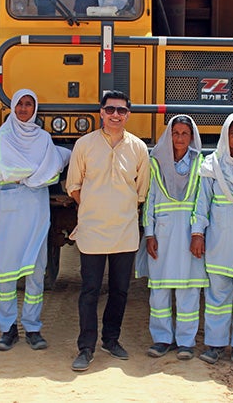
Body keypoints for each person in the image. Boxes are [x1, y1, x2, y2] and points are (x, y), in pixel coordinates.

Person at [66, 90, 150, 371]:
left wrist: (118, 206)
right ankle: (86, 347)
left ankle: (111, 340)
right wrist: (93, 206)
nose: (116, 115)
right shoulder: (84, 145)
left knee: (120, 290)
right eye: (110, 109)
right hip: (91, 230)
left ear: (128, 115)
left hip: (124, 230)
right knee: (89, 291)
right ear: (101, 112)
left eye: (121, 111)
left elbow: (141, 191)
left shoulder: (138, 148)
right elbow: (74, 186)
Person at [0, 89, 70, 351]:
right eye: (20, 104)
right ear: (12, 107)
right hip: (9, 210)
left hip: (36, 209)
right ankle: (7, 328)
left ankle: (33, 327)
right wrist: (36, 172)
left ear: (35, 109)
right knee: (7, 272)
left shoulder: (43, 138)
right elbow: (8, 168)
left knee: (36, 271)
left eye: (29, 104)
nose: (24, 109)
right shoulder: (2, 137)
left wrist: (31, 174)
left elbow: (51, 170)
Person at [138, 115, 207, 360]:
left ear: (191, 137)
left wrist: (198, 232)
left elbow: (202, 201)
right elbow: (150, 199)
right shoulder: (156, 162)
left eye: (184, 134)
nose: (179, 138)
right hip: (163, 234)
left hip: (189, 234)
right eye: (175, 133)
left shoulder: (200, 163)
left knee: (188, 288)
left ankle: (186, 341)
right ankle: (162, 339)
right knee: (159, 288)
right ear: (169, 135)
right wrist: (149, 233)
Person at [190, 113, 233, 365]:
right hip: (218, 240)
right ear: (225, 136)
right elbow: (202, 203)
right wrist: (197, 233)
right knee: (217, 295)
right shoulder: (211, 165)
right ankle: (215, 344)